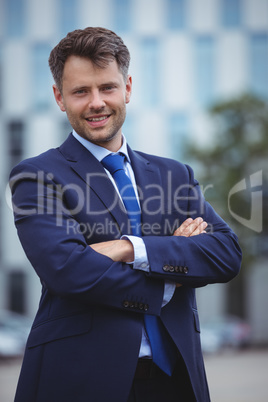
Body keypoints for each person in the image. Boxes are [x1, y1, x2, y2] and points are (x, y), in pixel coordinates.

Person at [10, 27, 241, 402]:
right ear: (59, 97)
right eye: (81, 91)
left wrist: (127, 248)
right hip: (80, 380)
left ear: (128, 88)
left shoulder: (174, 174)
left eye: (107, 87)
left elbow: (226, 254)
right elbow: (68, 271)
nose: (96, 102)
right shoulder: (36, 176)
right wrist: (171, 273)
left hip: (176, 382)